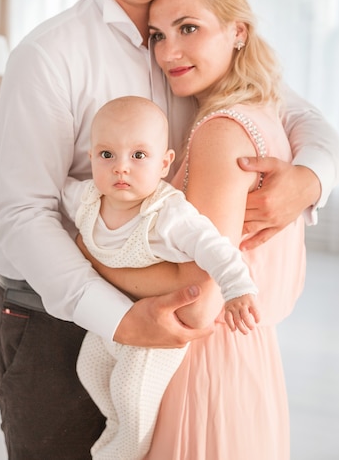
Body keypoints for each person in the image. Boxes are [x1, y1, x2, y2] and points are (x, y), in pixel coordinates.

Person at [0, 0, 339, 460]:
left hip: (171, 320)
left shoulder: (194, 30)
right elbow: (23, 214)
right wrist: (120, 318)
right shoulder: (48, 56)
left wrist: (313, 177)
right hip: (52, 319)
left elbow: (295, 109)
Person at [62, 95, 259, 460]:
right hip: (111, 316)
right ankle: (115, 429)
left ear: (165, 163)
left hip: (157, 329)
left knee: (131, 397)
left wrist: (237, 289)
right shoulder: (86, 198)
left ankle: (119, 453)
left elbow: (214, 247)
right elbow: (47, 199)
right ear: (91, 158)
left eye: (138, 156)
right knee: (88, 371)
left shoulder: (166, 213)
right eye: (107, 155)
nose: (122, 168)